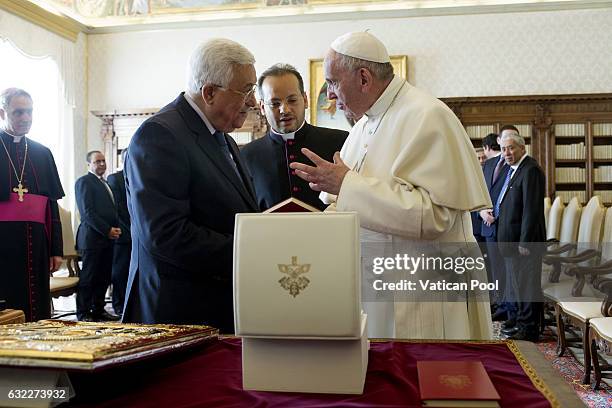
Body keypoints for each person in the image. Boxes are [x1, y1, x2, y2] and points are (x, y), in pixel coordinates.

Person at [290, 31, 493, 340]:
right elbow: (346, 203)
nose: (329, 95)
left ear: (363, 78)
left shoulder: (427, 116)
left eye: (332, 82)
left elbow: (435, 216)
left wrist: (346, 183)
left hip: (422, 289)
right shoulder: (364, 126)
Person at [122, 38, 259, 333]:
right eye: (246, 90)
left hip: (219, 307)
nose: (253, 102)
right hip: (178, 315)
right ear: (209, 92)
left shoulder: (225, 139)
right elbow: (165, 234)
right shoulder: (160, 135)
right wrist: (254, 249)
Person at [242, 63, 348, 211]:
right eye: (274, 103)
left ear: (305, 100)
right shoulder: (247, 156)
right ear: (262, 107)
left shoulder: (340, 142)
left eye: (292, 100)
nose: (284, 110)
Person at [0, 88, 64, 321]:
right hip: (3, 243)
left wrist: (56, 249)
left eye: (29, 112)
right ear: (2, 112)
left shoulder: (42, 153)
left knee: (37, 308)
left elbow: (52, 205)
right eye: (18, 112)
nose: (25, 118)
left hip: (36, 244)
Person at [496, 132, 545, 342]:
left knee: (527, 286)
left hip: (525, 244)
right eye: (503, 149)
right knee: (519, 285)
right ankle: (521, 323)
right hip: (512, 243)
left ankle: (529, 329)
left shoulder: (530, 169)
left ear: (522, 148)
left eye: (511, 148)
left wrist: (525, 241)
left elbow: (531, 210)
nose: (506, 153)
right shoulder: (515, 169)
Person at [75, 151, 121, 322]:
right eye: (97, 161)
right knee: (89, 277)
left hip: (108, 239)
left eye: (103, 161)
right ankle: (83, 313)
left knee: (104, 277)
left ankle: (99, 309)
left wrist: (114, 229)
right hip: (92, 239)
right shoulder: (84, 182)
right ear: (89, 164)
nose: (101, 164)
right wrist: (107, 229)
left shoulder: (105, 183)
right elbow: (88, 213)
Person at [479, 128, 514, 321]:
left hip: (507, 226)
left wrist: (499, 215)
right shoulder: (489, 164)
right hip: (488, 226)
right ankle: (500, 303)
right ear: (498, 140)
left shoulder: (515, 165)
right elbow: (481, 193)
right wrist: (481, 211)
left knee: (508, 270)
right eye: (502, 139)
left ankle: (509, 307)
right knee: (495, 269)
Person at [107, 149, 131, 316]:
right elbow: (118, 210)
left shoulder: (144, 176)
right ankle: (119, 305)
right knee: (120, 272)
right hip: (124, 233)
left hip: (140, 233)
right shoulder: (114, 179)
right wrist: (129, 231)